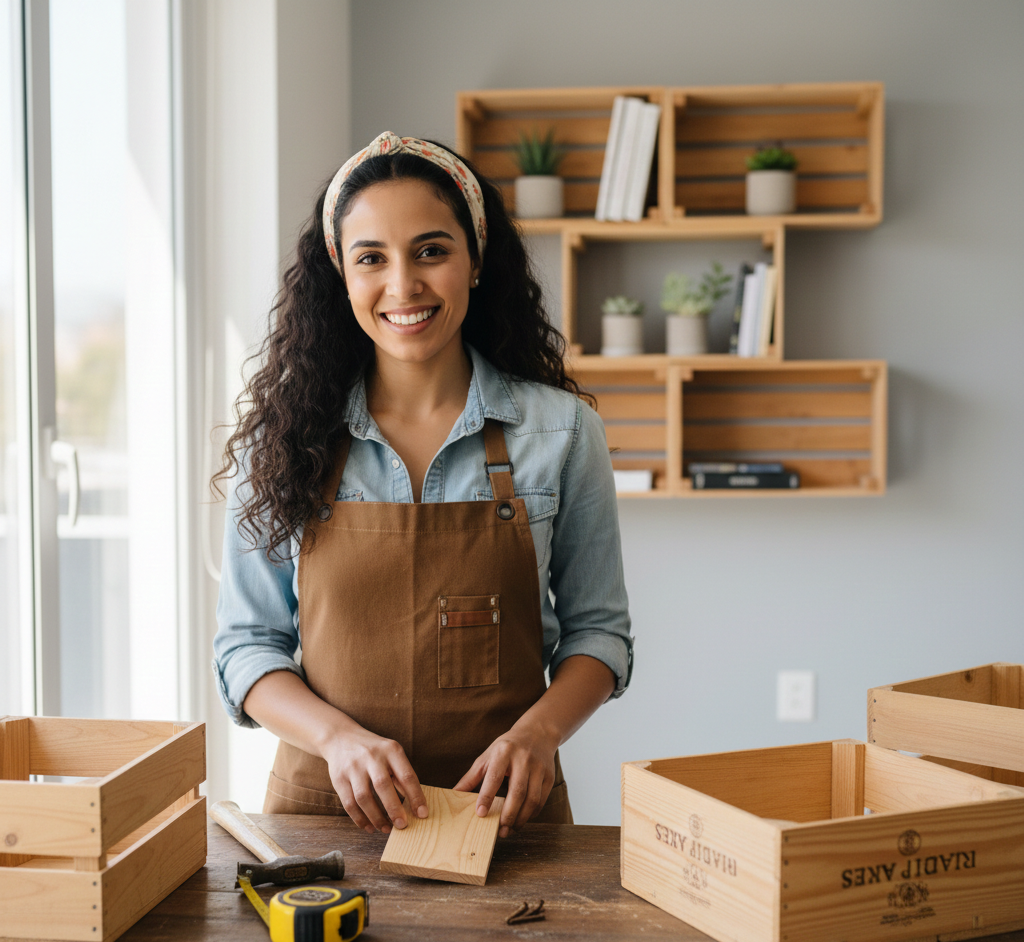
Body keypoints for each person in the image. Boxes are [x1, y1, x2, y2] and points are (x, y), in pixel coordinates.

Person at [212, 132, 632, 838]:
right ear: (339, 273)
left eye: (431, 251)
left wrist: (538, 737)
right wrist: (339, 740)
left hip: (502, 821)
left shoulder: (560, 433)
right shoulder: (283, 440)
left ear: (474, 262)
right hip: (321, 818)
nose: (403, 286)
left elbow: (599, 634)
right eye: (371, 258)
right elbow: (247, 647)